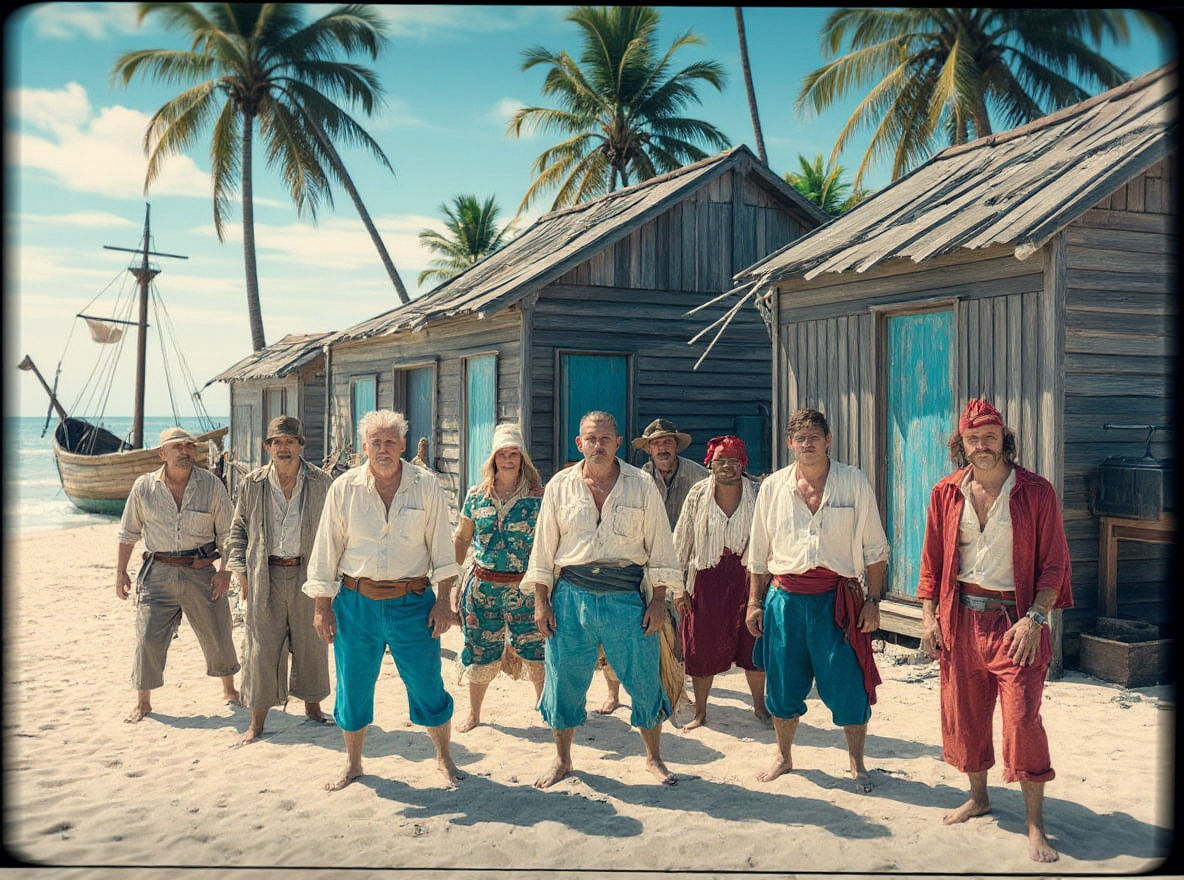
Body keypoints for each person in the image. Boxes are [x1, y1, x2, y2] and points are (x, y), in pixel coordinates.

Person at [918, 398, 1073, 863]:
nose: (981, 446)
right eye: (973, 439)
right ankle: (979, 797)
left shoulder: (1036, 492)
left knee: (1023, 720)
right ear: (961, 444)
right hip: (961, 619)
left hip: (1016, 622)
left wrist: (1036, 618)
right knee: (966, 716)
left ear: (1005, 439)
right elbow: (931, 563)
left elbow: (1055, 565)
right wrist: (928, 617)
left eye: (990, 437)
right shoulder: (945, 492)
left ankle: (1035, 824)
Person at [302, 409, 463, 790]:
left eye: (390, 441)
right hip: (356, 604)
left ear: (403, 445)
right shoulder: (344, 488)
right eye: (376, 442)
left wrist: (444, 602)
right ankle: (354, 763)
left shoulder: (426, 485)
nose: (383, 449)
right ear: (364, 447)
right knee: (353, 686)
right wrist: (322, 607)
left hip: (414, 602)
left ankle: (444, 757)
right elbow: (326, 549)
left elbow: (443, 549)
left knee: (427, 683)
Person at [523, 411, 681, 789]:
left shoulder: (641, 485)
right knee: (563, 680)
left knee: (644, 678)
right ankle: (562, 759)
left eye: (605, 439)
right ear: (579, 443)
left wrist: (658, 600)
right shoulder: (560, 486)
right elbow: (543, 549)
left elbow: (660, 547)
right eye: (591, 439)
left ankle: (654, 758)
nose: (598, 445)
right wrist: (541, 601)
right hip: (571, 597)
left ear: (618, 443)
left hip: (626, 597)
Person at [746, 408, 888, 792]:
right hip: (785, 601)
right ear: (789, 443)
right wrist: (754, 602)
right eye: (800, 438)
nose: (807, 443)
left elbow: (875, 549)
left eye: (814, 436)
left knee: (849, 685)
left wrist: (873, 601)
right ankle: (783, 755)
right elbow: (759, 553)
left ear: (828, 441)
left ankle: (857, 762)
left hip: (837, 602)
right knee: (782, 684)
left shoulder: (853, 481)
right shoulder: (773, 487)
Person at [115, 426, 241, 723]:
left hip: (201, 573)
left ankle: (230, 690)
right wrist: (120, 572)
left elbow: (228, 534)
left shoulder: (211, 485)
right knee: (147, 638)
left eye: (189, 446)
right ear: (163, 453)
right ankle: (143, 702)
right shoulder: (144, 487)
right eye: (178, 447)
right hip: (157, 574)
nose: (185, 452)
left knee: (218, 632)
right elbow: (128, 532)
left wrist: (226, 572)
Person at [226, 416, 333, 746]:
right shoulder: (252, 483)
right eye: (277, 442)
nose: (283, 448)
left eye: (289, 442)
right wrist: (240, 572)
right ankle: (256, 724)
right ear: (267, 447)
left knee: (311, 643)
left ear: (301, 445)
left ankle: (313, 708)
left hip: (307, 574)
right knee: (261, 648)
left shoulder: (322, 482)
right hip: (264, 575)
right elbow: (238, 529)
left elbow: (336, 530)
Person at [591, 418, 708, 715]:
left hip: (684, 564)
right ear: (648, 449)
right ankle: (613, 693)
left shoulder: (698, 476)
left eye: (667, 442)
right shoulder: (637, 478)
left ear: (676, 445)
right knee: (623, 630)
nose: (662, 448)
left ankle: (677, 688)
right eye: (656, 444)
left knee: (679, 629)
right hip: (642, 566)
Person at [451, 423, 546, 731]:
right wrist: (453, 583)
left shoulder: (539, 497)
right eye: (502, 454)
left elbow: (549, 543)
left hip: (526, 589)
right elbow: (462, 538)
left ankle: (545, 708)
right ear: (493, 459)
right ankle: (474, 714)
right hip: (483, 589)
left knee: (537, 650)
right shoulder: (476, 496)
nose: (507, 460)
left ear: (522, 458)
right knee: (479, 651)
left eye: (513, 454)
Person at [672, 435, 767, 729]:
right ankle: (701, 712)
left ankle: (760, 707)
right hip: (705, 581)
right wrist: (678, 589)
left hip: (748, 578)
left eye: (734, 460)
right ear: (710, 464)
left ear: (743, 463)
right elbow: (682, 542)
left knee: (754, 644)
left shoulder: (758, 493)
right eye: (720, 460)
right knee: (701, 648)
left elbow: (771, 539)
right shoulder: (698, 494)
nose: (727, 466)